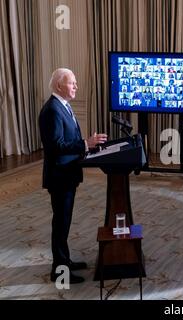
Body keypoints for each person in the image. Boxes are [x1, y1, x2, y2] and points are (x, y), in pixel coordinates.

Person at [39, 68, 108, 284]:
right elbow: (55, 146)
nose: (76, 86)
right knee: (60, 223)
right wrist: (85, 144)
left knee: (64, 222)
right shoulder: (52, 110)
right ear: (59, 85)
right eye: (72, 83)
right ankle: (59, 271)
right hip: (59, 177)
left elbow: (70, 139)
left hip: (67, 174)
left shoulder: (63, 106)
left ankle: (65, 261)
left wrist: (87, 145)